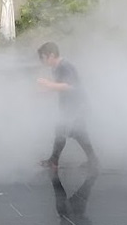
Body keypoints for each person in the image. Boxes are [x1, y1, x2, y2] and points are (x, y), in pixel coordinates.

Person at [37, 41, 98, 173]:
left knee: (62, 130)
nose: (43, 61)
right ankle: (93, 160)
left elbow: (68, 86)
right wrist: (45, 91)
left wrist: (48, 85)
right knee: (78, 133)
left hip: (76, 105)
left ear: (51, 55)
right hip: (72, 105)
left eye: (43, 58)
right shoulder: (57, 67)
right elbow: (61, 85)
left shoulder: (64, 66)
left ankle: (54, 160)